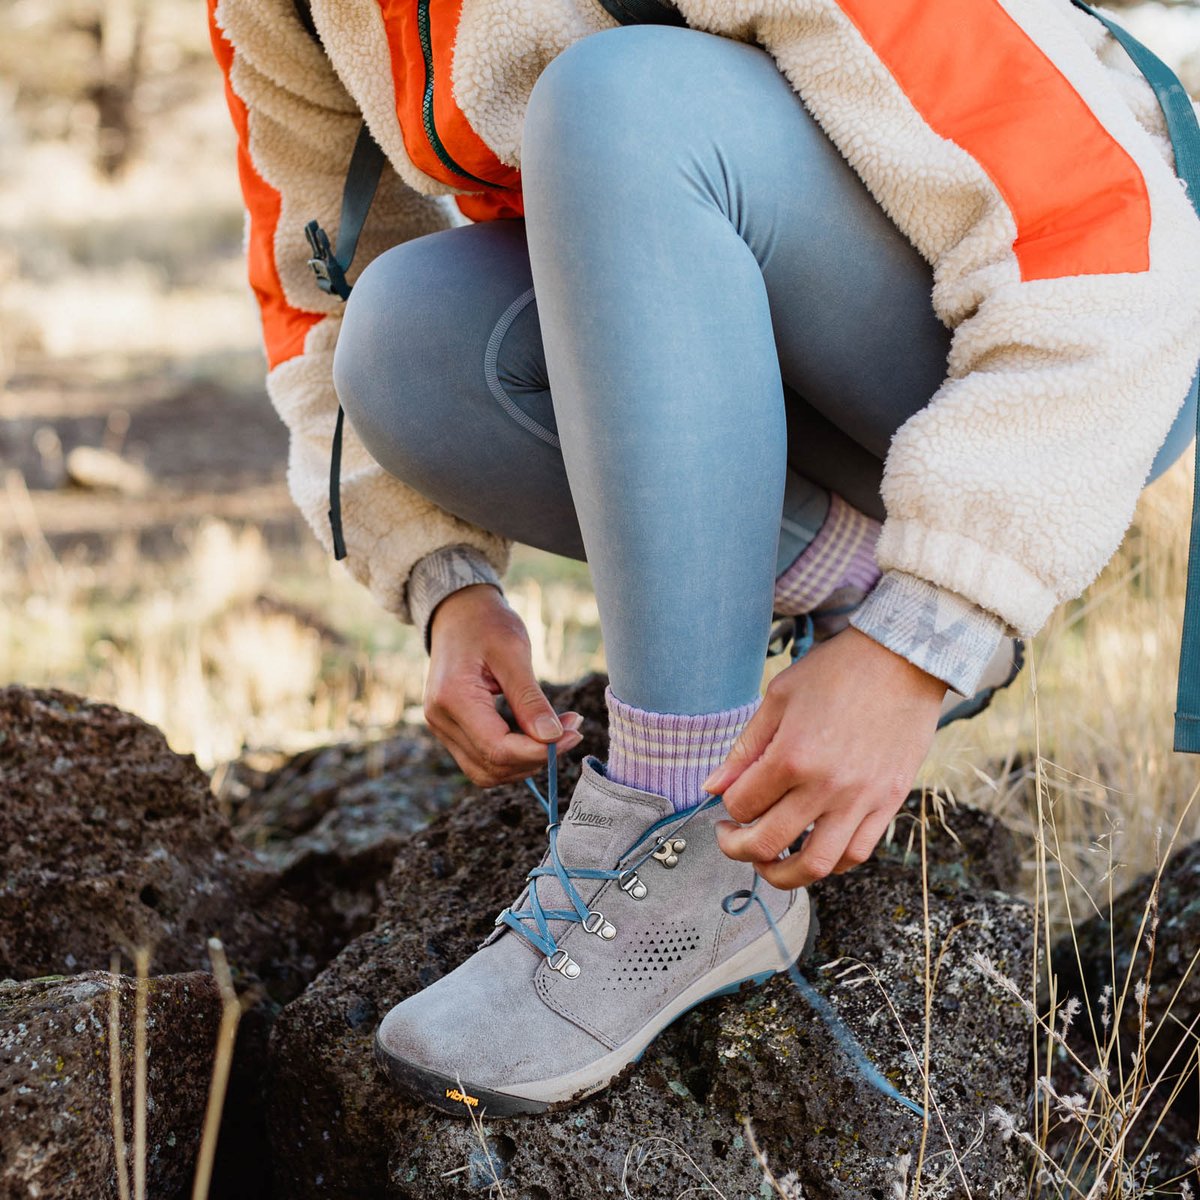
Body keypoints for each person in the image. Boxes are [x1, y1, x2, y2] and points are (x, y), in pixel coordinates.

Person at [208, 0, 1200, 1116]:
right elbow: (317, 293)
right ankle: (845, 568)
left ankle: (679, 828)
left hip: (1063, 332)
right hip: (747, 322)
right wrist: (447, 584)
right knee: (405, 339)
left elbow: (1105, 245)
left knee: (618, 99)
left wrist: (922, 645)